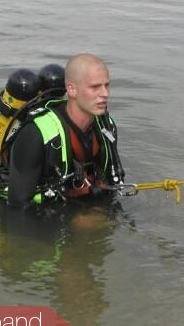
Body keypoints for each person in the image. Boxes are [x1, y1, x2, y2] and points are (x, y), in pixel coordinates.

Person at [7, 53, 124, 209]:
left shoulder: (107, 127)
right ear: (71, 89)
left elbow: (110, 185)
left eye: (107, 85)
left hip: (80, 202)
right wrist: (74, 220)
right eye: (95, 87)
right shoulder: (36, 134)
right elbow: (17, 208)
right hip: (43, 211)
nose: (105, 94)